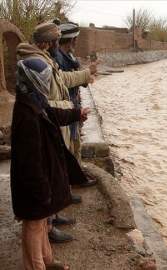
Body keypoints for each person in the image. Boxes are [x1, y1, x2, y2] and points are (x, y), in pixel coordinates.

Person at [16, 22, 96, 243]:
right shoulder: (37, 63)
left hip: (54, 119)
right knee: (47, 175)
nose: (58, 45)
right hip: (49, 123)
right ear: (48, 43)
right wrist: (71, 109)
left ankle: (53, 216)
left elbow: (60, 82)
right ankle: (48, 226)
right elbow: (43, 102)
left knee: (55, 171)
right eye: (55, 41)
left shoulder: (44, 58)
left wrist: (85, 75)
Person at [11, 57, 89, 270]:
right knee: (34, 226)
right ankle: (36, 266)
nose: (47, 82)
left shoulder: (32, 100)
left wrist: (76, 114)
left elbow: (51, 113)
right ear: (33, 80)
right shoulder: (26, 114)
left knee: (41, 222)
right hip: (33, 184)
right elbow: (30, 162)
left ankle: (46, 260)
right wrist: (41, 190)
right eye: (44, 78)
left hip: (38, 180)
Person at [53, 22, 84, 163]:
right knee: (69, 147)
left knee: (75, 144)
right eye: (76, 39)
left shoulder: (70, 57)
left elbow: (79, 81)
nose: (77, 42)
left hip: (73, 108)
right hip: (66, 109)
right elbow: (64, 81)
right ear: (71, 40)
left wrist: (85, 77)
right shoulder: (59, 58)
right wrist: (86, 75)